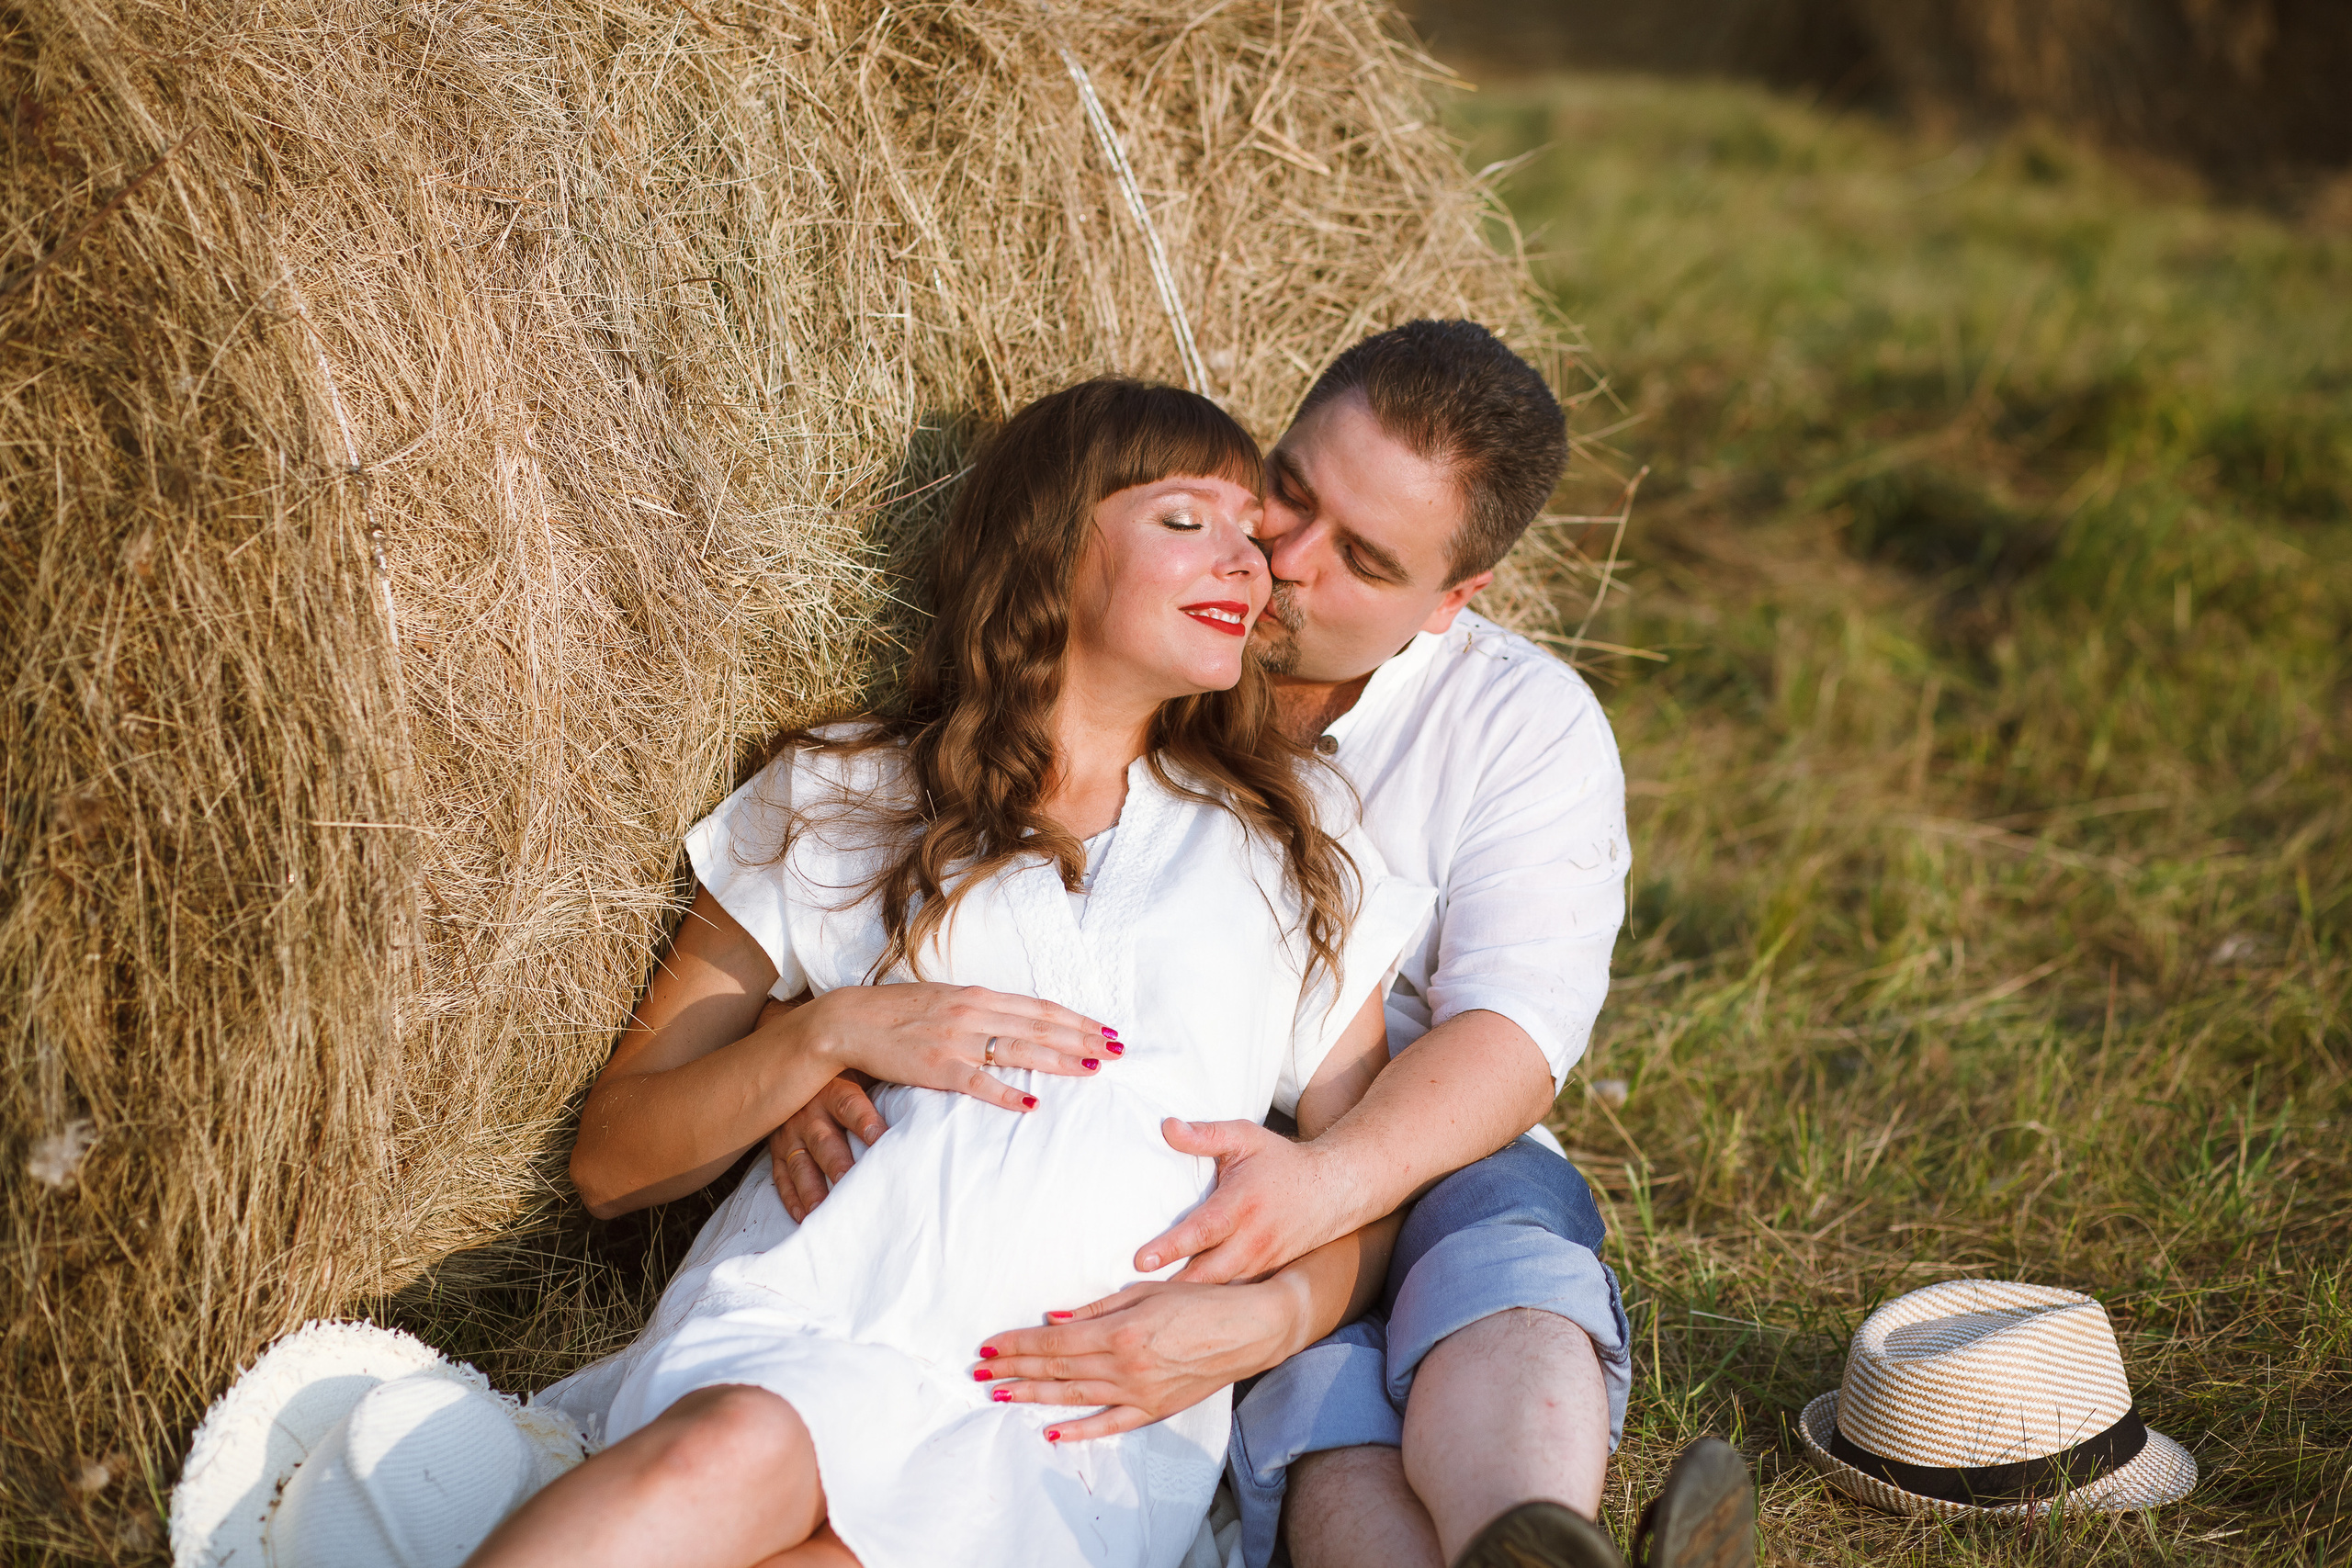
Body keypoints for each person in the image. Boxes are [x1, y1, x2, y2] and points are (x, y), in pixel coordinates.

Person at [762, 322, 1753, 1568]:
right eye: (1290, 490)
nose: (1283, 559)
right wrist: (803, 1044)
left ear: (1453, 601)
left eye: (1365, 559)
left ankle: (1529, 1535)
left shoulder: (1525, 725)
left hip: (1406, 1133)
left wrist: (1328, 1186)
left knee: (1499, 1250)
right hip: (1164, 1148)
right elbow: (938, 850)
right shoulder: (1154, 623)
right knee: (1313, 1418)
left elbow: (1514, 1035)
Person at [468, 378, 1437, 1568]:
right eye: (1188, 520)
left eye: (1254, 534)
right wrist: (822, 1036)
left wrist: (1267, 1321)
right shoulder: (846, 790)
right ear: (1050, 544)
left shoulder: (1295, 840)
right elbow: (613, 1164)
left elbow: (1366, 1180)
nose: (1251, 563)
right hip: (822, 1318)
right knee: (714, 1457)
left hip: (1079, 1411)